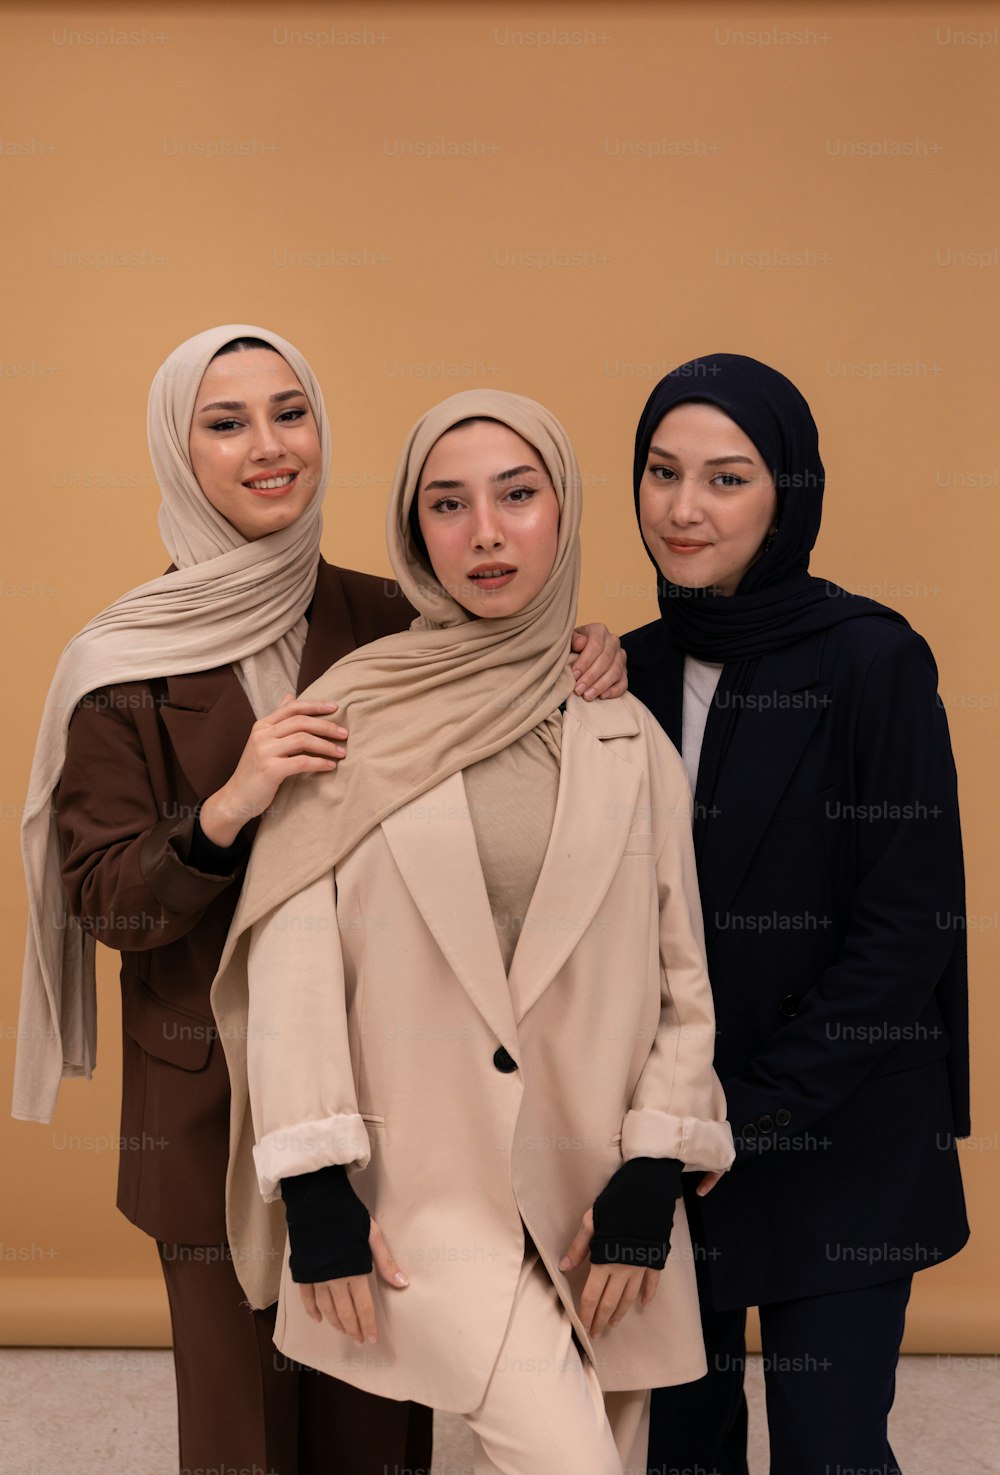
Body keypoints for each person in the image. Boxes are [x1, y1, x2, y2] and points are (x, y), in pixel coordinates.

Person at [12, 326, 625, 1475]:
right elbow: (104, 900)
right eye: (227, 421)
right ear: (175, 448)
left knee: (379, 1424)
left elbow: (504, 668)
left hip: (393, 1102)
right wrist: (228, 806)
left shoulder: (393, 619)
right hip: (211, 1117)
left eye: (290, 413)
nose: (268, 447)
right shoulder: (122, 660)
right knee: (244, 1433)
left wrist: (586, 649)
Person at [210, 390, 736, 1475]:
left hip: (597, 1205)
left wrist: (655, 1163)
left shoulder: (624, 727)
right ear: (415, 533)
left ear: (563, 510)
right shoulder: (348, 712)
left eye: (516, 495)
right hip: (421, 1197)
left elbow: (681, 976)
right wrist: (315, 1184)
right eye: (446, 504)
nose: (484, 531)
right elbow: (293, 958)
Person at [621, 354, 970, 1475]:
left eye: (726, 477)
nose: (683, 508)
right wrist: (676, 1119)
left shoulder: (874, 658)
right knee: (682, 1444)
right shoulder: (625, 667)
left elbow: (908, 926)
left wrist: (753, 1109)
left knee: (828, 1449)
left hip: (840, 1124)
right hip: (673, 1133)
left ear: (789, 492)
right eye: (661, 472)